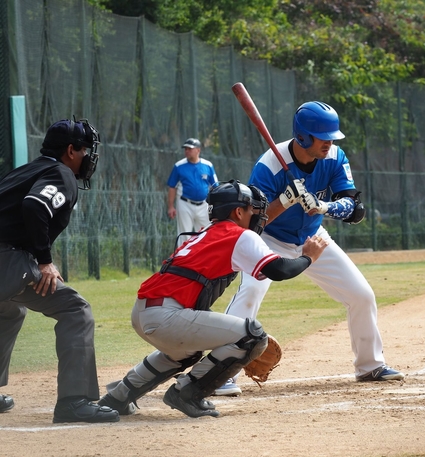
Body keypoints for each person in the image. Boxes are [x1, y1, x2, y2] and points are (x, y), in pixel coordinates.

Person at [97, 180, 328, 418]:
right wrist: (308, 257)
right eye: (252, 210)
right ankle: (187, 392)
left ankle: (118, 397)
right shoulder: (238, 235)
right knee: (252, 337)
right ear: (238, 212)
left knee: (184, 353)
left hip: (144, 312)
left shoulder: (207, 233)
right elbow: (279, 270)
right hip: (166, 316)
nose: (257, 216)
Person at [222, 101, 404, 397]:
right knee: (251, 292)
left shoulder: (334, 156)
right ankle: (221, 374)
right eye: (323, 137)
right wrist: (284, 201)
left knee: (361, 295)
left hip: (312, 239)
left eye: (332, 137)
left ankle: (370, 365)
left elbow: (355, 208)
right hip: (269, 240)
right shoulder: (269, 165)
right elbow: (252, 222)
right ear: (303, 136)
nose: (329, 143)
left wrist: (324, 207)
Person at [0, 118, 119, 423]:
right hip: (6, 260)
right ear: (70, 150)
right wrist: (43, 260)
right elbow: (35, 205)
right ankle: (73, 402)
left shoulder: (24, 170)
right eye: (85, 150)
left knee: (10, 310)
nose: (87, 156)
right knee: (75, 310)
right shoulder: (61, 173)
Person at [167, 138, 218, 246]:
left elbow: (215, 186)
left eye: (190, 149)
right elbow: (172, 186)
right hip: (185, 204)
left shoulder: (207, 165)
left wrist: (216, 206)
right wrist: (171, 206)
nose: (187, 151)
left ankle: (204, 256)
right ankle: (183, 257)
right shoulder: (179, 166)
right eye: (185, 149)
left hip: (204, 205)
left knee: (206, 233)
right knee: (184, 235)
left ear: (198, 150)